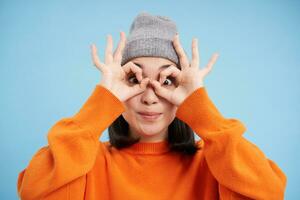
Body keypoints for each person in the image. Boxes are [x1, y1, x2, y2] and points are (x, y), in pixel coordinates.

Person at [17, 12, 287, 200]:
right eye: (134, 79)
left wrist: (201, 109)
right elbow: (34, 192)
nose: (149, 97)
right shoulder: (85, 163)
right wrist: (102, 101)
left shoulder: (217, 165)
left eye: (167, 80)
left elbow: (269, 192)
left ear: (184, 89)